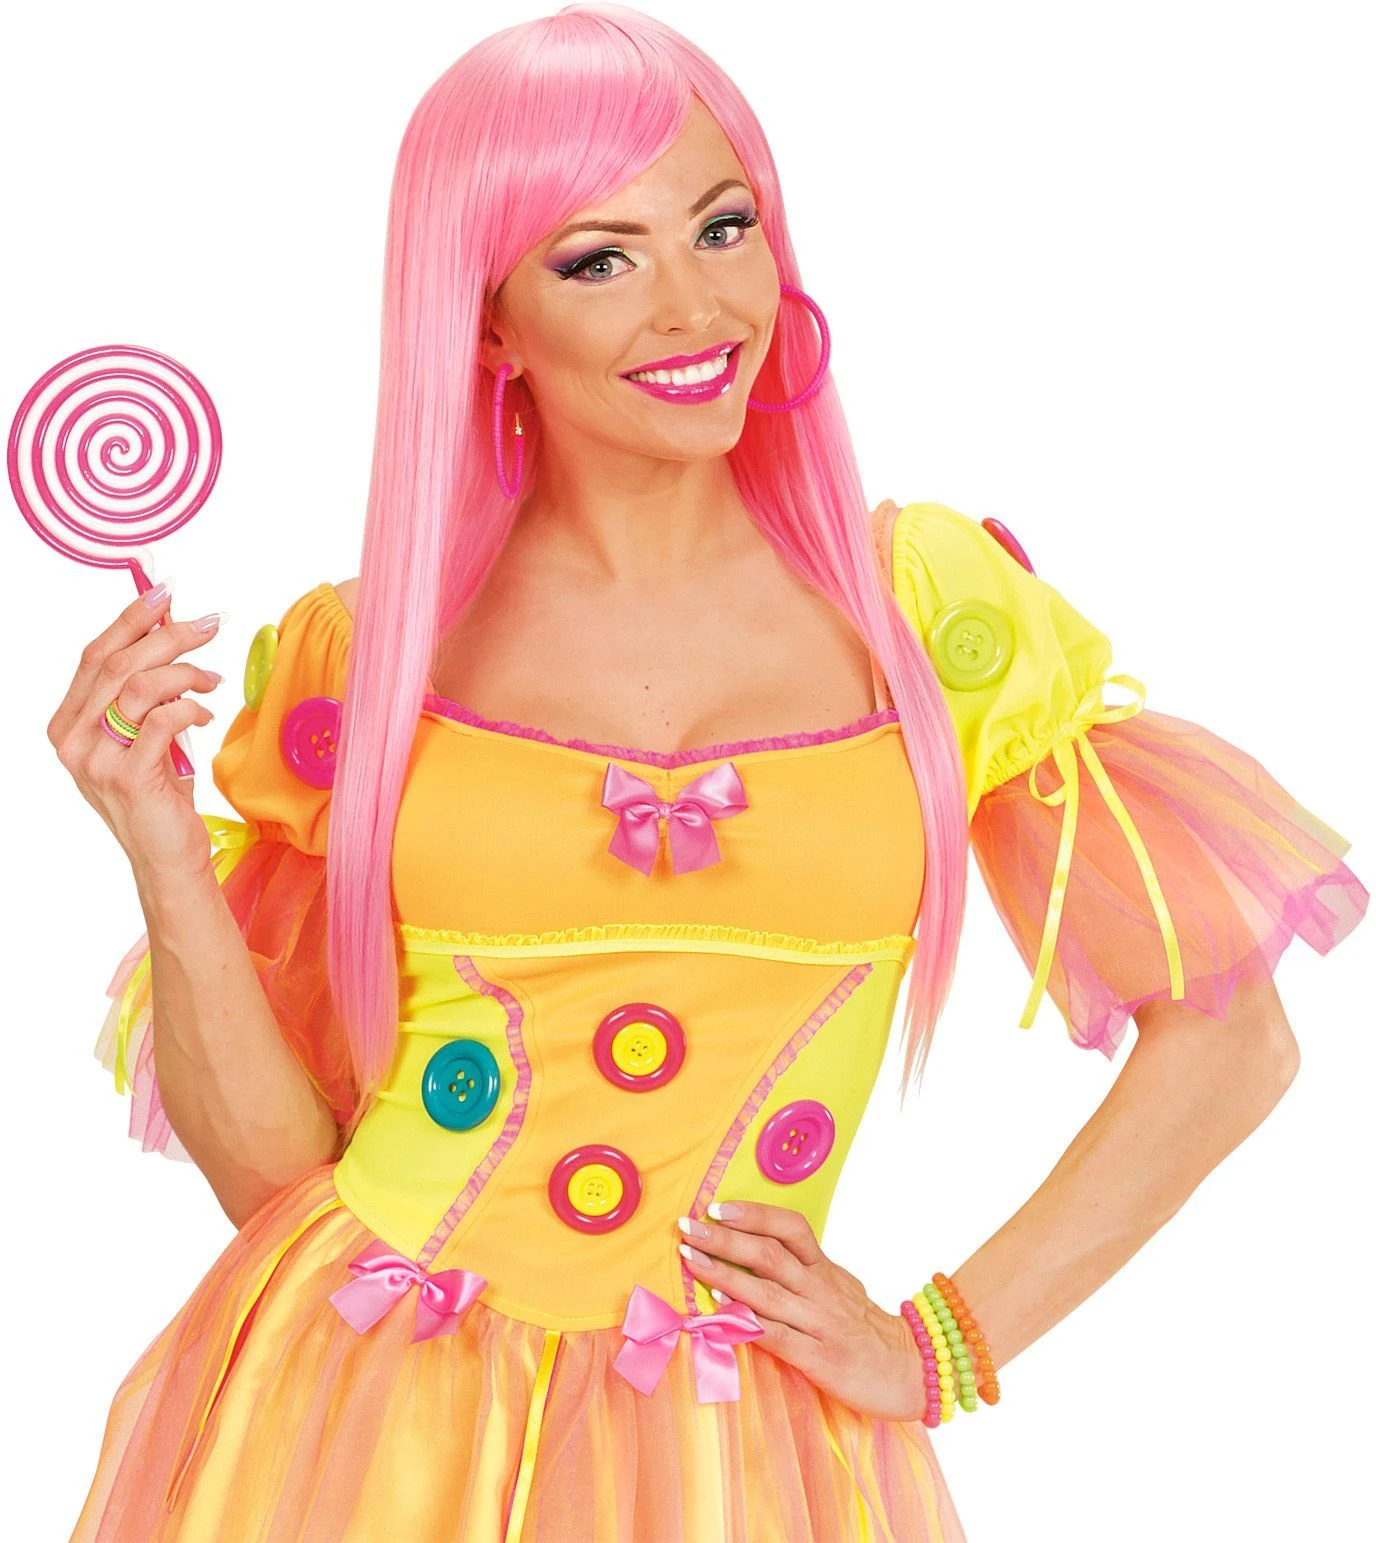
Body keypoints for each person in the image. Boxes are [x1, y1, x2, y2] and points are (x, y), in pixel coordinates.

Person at [55, 6, 1367, 1539]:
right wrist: (158, 843)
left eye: (723, 227)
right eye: (597, 259)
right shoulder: (367, 661)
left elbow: (1231, 1037)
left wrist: (940, 1344)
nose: (695, 304)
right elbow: (276, 1178)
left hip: (740, 1445)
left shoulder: (926, 618)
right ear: (487, 324)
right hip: (365, 1424)